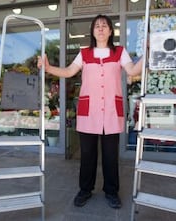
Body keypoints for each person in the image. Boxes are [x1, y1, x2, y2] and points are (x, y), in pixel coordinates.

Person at [37, 14, 143, 209]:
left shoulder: (120, 52)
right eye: (97, 26)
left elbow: (133, 71)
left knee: (111, 155)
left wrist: (149, 54)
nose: (101, 28)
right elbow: (69, 72)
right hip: (89, 111)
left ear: (111, 31)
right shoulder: (84, 53)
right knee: (87, 154)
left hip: (111, 111)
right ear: (93, 31)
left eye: (104, 25)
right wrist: (49, 67)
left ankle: (111, 192)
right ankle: (85, 190)